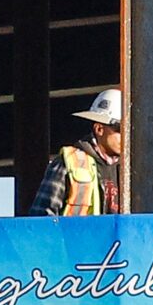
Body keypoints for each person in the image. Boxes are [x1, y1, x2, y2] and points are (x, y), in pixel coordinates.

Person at [32, 87, 125, 217]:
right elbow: (42, 219)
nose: (126, 136)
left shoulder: (131, 169)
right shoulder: (69, 163)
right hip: (74, 237)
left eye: (129, 129)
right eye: (119, 129)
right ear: (99, 129)